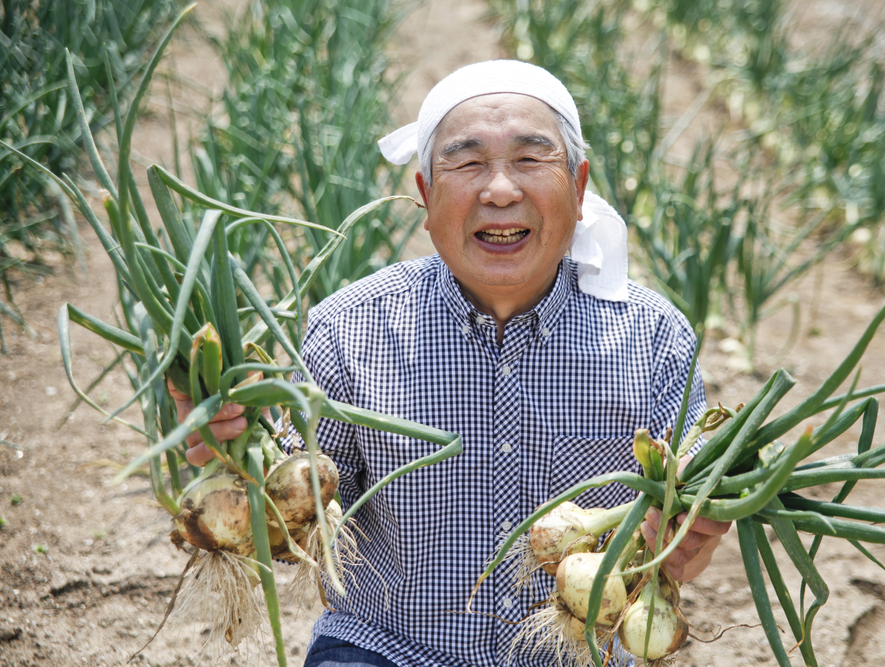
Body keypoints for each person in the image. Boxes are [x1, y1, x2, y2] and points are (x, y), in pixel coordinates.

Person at [172, 60, 731, 667]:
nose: (499, 190)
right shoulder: (350, 327)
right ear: (425, 194)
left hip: (580, 654)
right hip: (386, 649)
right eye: (467, 163)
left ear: (578, 187)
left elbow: (687, 524)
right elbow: (303, 515)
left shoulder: (651, 337)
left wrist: (683, 538)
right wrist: (232, 455)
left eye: (529, 159)